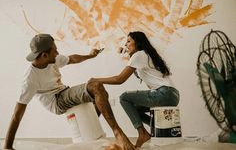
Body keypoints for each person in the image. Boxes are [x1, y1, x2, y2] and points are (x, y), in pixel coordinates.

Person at [3, 34, 136, 150]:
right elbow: (17, 114)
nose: (57, 53)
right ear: (44, 55)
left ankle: (89, 131)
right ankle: (118, 133)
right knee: (96, 86)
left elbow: (72, 59)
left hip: (64, 92)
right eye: (55, 50)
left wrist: (90, 55)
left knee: (102, 94)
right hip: (56, 101)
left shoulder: (51, 59)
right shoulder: (30, 79)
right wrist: (7, 146)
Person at [89, 31, 180, 148]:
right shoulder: (146, 55)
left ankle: (142, 133)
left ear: (137, 42)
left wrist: (96, 80)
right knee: (134, 109)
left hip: (163, 93)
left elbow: (119, 79)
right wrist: (129, 55)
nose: (126, 45)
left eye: (128, 41)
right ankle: (157, 127)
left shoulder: (139, 55)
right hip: (173, 96)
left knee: (124, 98)